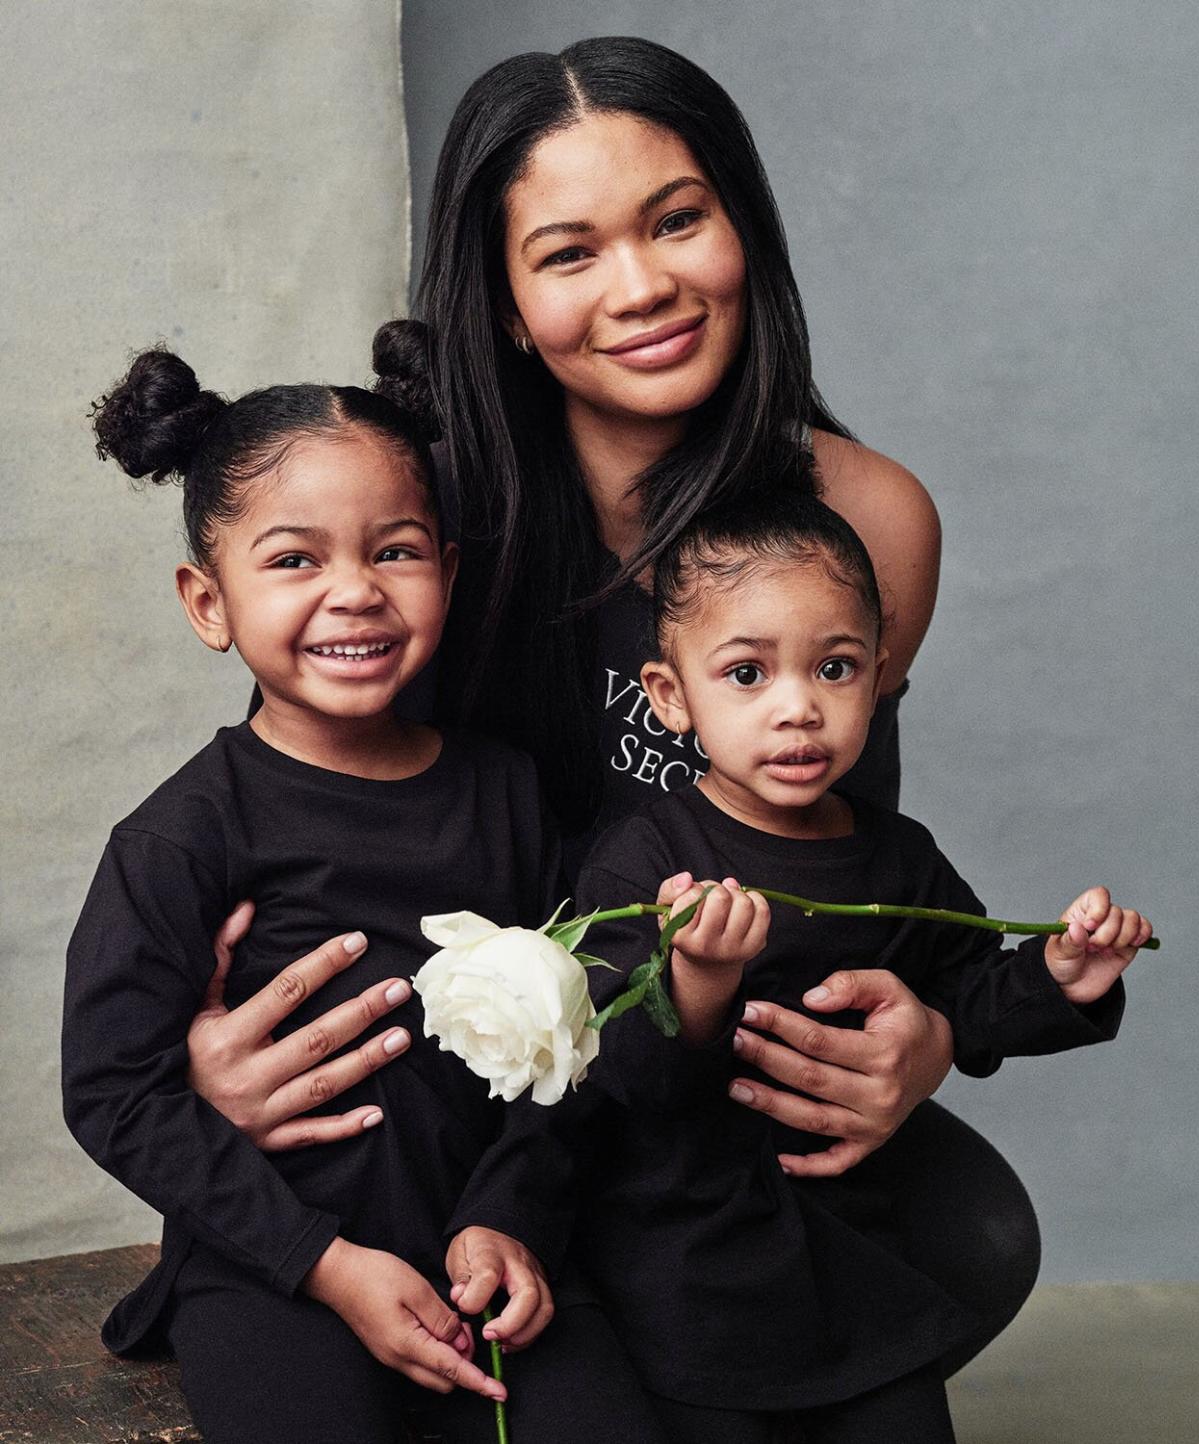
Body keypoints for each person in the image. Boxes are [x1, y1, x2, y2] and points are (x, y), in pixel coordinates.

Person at [185, 35, 1040, 1372]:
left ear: (740, 229)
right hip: (449, 1060)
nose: (641, 286)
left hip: (683, 1065)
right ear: (507, 302)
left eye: (677, 221)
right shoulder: (416, 514)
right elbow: (281, 808)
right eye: (569, 251)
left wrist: (924, 1033)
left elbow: (836, 853)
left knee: (971, 1232)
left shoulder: (864, 516)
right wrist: (203, 1050)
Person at [63, 350, 672, 1444]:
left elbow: (575, 1048)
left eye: (395, 550)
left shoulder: (508, 790)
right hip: (278, 1262)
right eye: (294, 558)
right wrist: (326, 1266)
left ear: (445, 564)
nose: (356, 589)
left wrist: (507, 1218)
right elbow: (113, 1093)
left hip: (487, 1245)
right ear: (210, 603)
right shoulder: (184, 834)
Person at [571, 488, 1151, 1443]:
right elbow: (621, 1074)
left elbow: (967, 991)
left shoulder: (898, 857)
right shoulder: (644, 859)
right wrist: (698, 987)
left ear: (878, 675)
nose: (799, 707)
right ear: (672, 696)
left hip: (849, 1248)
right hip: (688, 1261)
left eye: (833, 667)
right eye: (748, 674)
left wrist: (1058, 977)